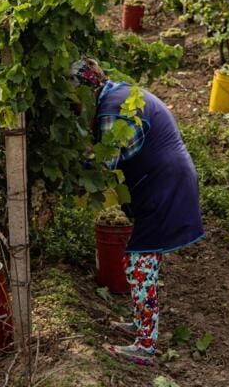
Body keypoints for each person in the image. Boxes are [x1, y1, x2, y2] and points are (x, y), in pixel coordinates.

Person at [70, 58, 204, 367]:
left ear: (87, 92)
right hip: (165, 179)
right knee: (141, 262)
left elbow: (104, 168)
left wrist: (70, 172)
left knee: (142, 263)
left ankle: (145, 345)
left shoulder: (110, 110)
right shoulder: (120, 92)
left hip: (165, 186)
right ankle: (142, 324)